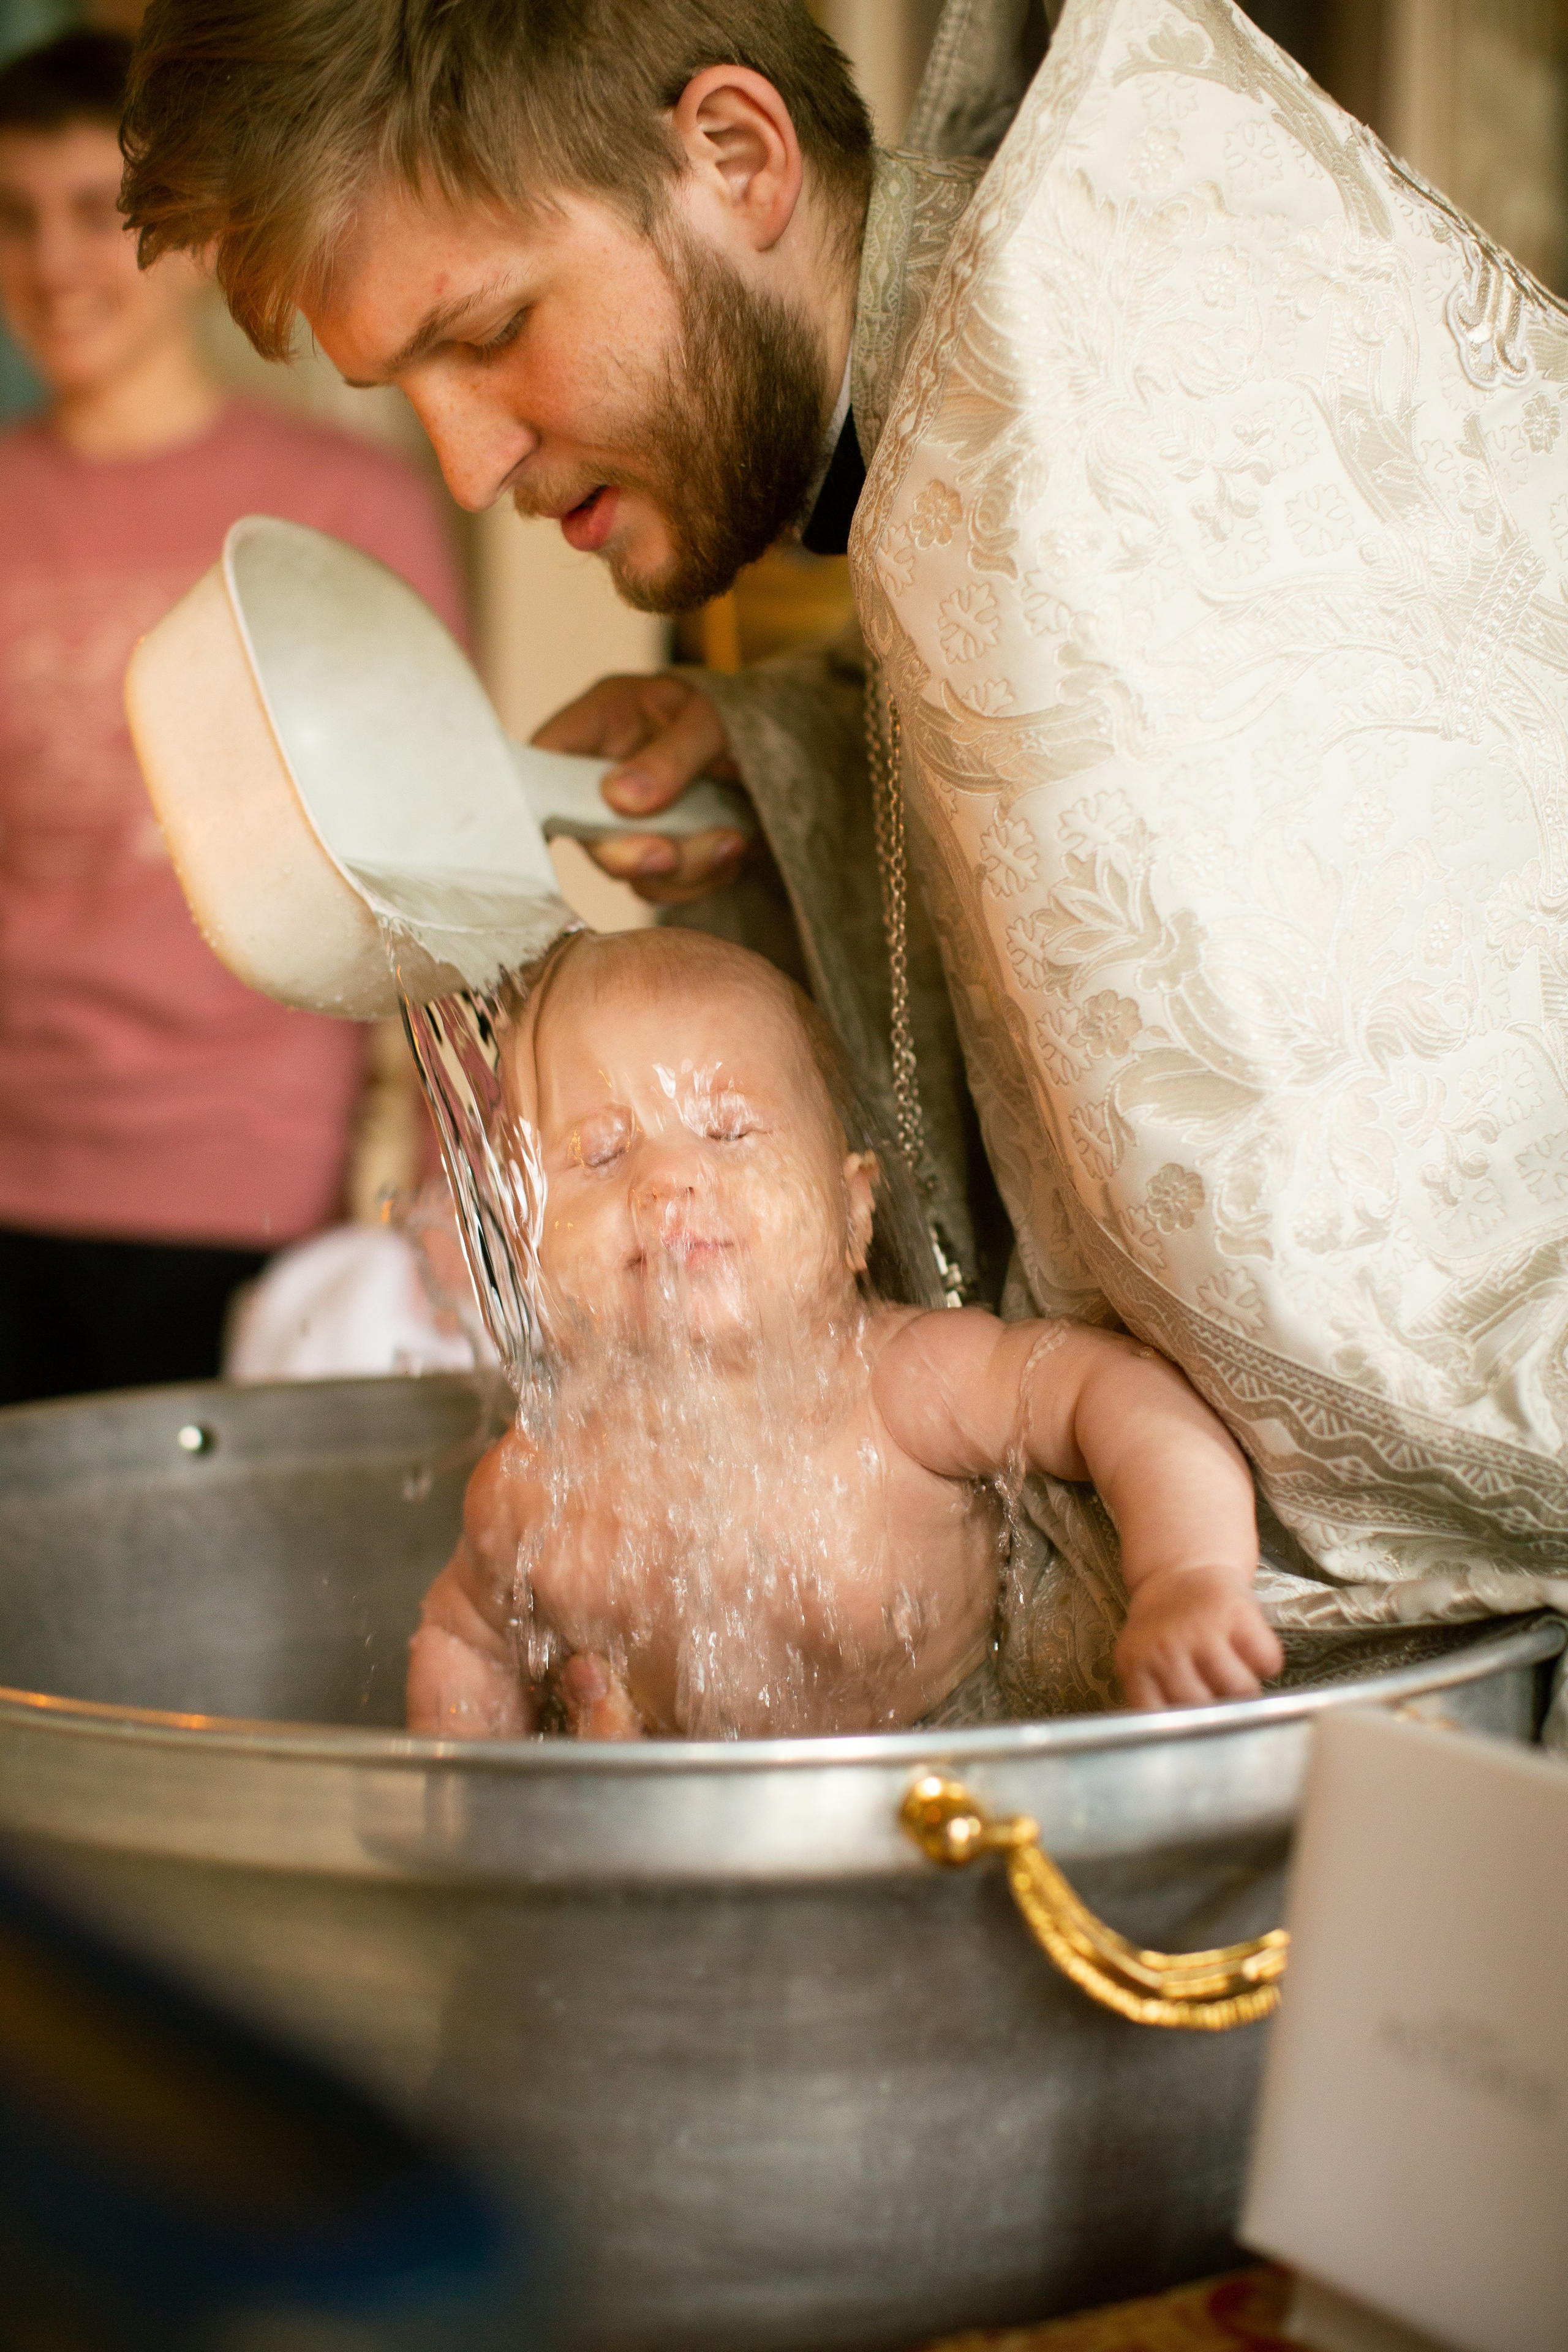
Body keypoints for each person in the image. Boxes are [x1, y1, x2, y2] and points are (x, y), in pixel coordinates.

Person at [121, 0, 1568, 1718]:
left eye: (494, 330)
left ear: (736, 156)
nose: (466, 456)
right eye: (405, 388)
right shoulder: (962, 406)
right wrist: (784, 745)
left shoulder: (1071, 468)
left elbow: (1373, 1370)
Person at [407, 929, 1281, 1738]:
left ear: (853, 1210)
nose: (669, 1179)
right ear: (525, 1249)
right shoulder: (534, 1485)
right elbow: (467, 1636)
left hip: (952, 1790)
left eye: (729, 1130)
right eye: (600, 1154)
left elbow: (1119, 1394)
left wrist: (1186, 1579)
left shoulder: (908, 1382)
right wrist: (472, 1807)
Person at [0, 29, 464, 1403]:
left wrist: (453, 1190)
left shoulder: (341, 506)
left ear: (190, 238)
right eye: (16, 219)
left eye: (98, 214)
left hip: (244, 1180)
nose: (56, 264)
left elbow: (434, 865)